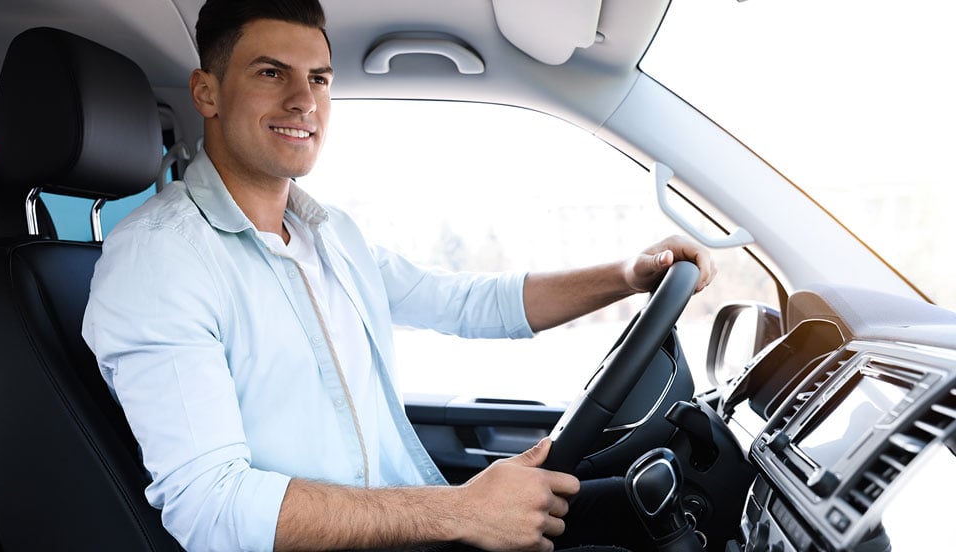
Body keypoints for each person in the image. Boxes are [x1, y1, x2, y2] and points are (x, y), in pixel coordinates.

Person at [81, 1, 718, 551]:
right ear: (207, 92)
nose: (303, 100)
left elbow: (472, 303)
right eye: (270, 73)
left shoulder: (328, 236)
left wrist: (629, 275)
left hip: (415, 529)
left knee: (645, 505)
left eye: (320, 78)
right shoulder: (159, 262)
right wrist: (464, 512)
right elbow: (211, 506)